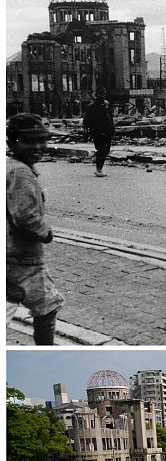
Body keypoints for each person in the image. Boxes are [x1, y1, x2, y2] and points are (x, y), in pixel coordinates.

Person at [6, 113, 65, 344]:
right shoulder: (21, 172)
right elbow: (25, 217)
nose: (39, 147)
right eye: (29, 141)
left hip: (11, 254)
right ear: (12, 142)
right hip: (24, 259)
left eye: (42, 140)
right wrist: (46, 233)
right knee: (48, 306)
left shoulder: (11, 166)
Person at [82, 88, 115, 177]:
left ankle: (98, 163)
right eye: (100, 94)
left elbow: (110, 119)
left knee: (106, 150)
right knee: (101, 149)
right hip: (97, 132)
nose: (102, 96)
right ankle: (98, 169)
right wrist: (86, 131)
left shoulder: (106, 105)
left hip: (107, 131)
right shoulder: (91, 107)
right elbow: (86, 121)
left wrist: (112, 130)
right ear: (97, 95)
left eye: (104, 94)